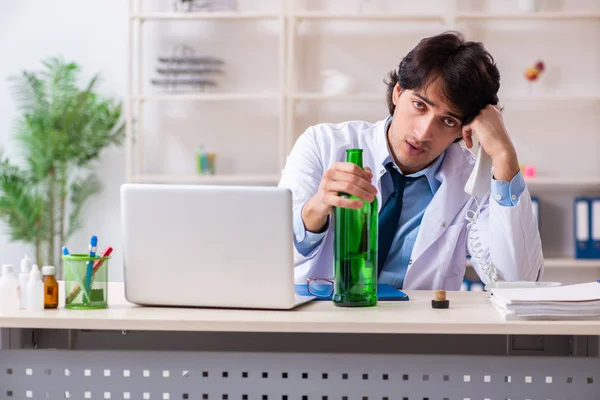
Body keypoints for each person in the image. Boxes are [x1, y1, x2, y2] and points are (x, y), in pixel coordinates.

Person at [278, 31, 544, 290]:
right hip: (320, 322)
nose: (424, 132)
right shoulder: (322, 144)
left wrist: (504, 155)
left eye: (448, 120)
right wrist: (317, 207)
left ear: (465, 129)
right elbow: (274, 252)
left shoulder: (474, 181)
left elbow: (518, 283)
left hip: (416, 328)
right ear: (397, 92)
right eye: (420, 105)